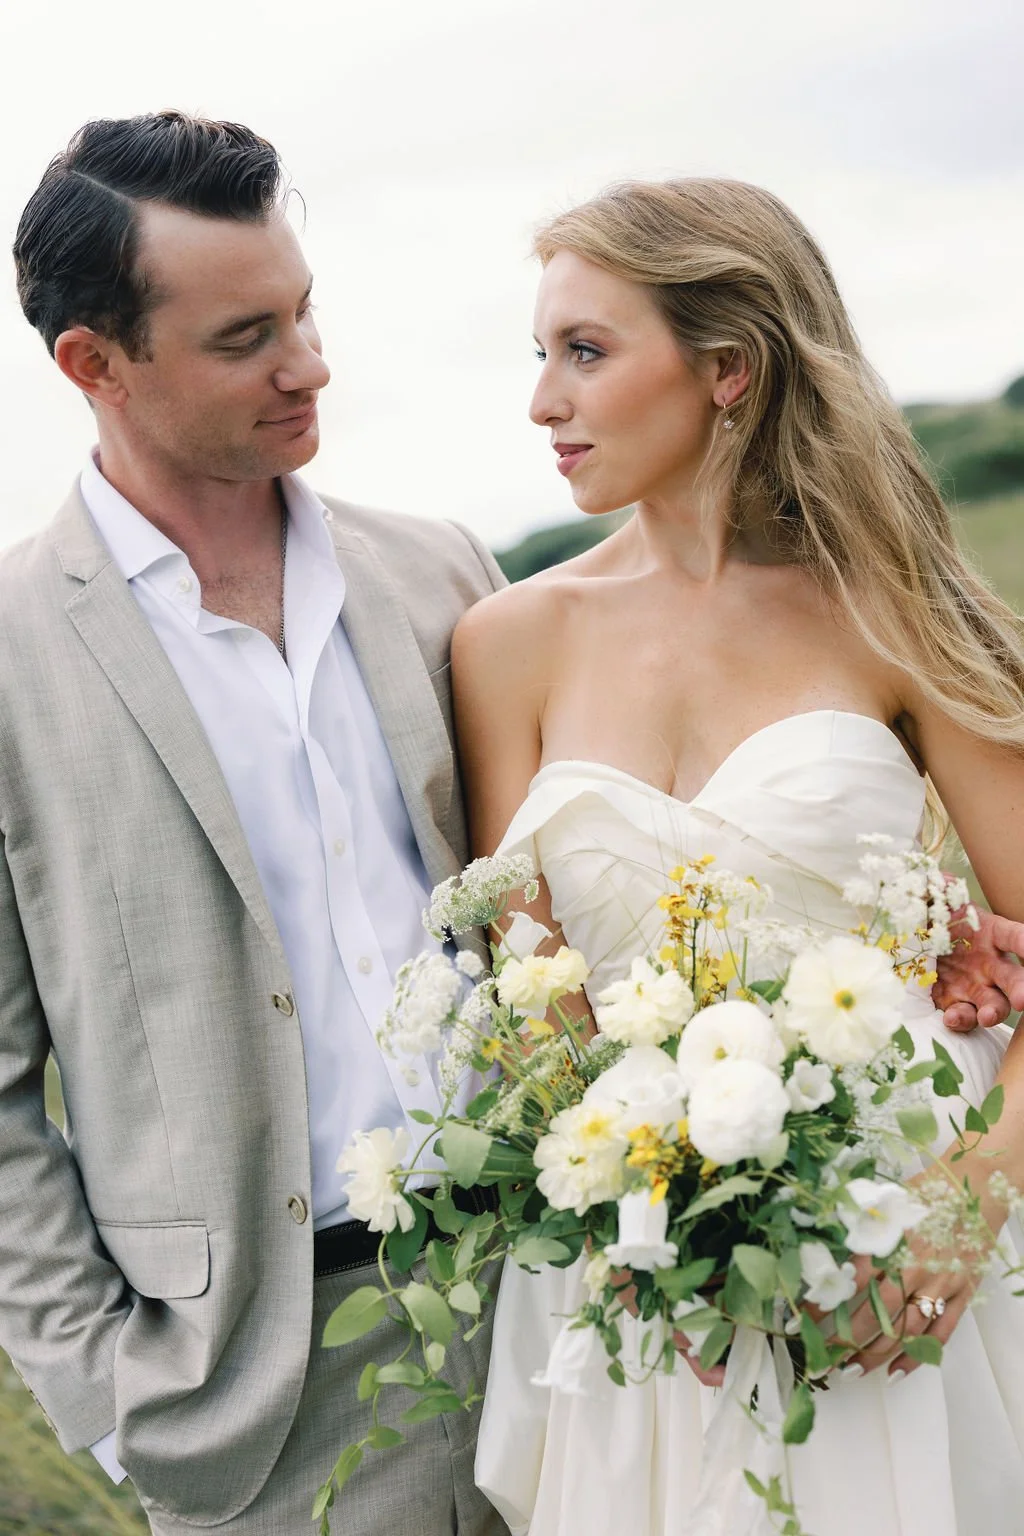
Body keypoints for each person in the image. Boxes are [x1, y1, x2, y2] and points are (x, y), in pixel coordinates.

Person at [453, 178, 1024, 1535]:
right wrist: (653, 1209)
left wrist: (969, 1202)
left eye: (585, 352)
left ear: (728, 370)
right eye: (540, 353)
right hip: (643, 1256)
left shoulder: (894, 605)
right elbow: (533, 1005)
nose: (542, 401)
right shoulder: (507, 644)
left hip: (910, 1228)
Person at [0, 112, 509, 1536]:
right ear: (93, 364)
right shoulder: (9, 657)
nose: (309, 364)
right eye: (245, 339)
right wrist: (104, 1397)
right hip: (260, 1396)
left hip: (565, 1307)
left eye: (304, 312)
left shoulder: (444, 572)